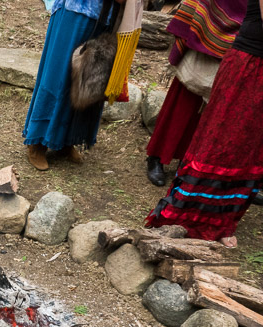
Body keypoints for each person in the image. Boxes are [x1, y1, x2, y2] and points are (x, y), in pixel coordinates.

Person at [146, 0, 263, 249]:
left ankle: (224, 222)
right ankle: (192, 217)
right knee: (221, 146)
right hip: (248, 66)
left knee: (248, 152)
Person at [144, 0, 245, 186]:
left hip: (241, 47)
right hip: (203, 40)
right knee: (182, 104)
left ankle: (189, 162)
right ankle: (156, 156)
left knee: (211, 114)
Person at [23, 0, 124, 171]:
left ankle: (66, 140)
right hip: (77, 9)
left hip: (107, 15)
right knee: (59, 75)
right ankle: (37, 142)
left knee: (88, 80)